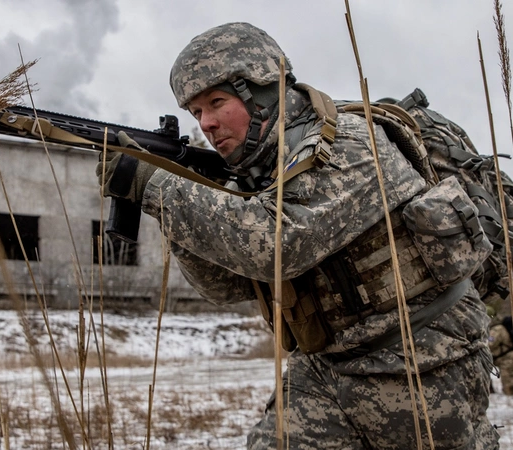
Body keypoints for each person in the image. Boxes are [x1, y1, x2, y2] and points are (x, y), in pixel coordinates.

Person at [97, 22, 499, 449]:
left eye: (216, 102)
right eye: (196, 113)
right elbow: (224, 286)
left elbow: (278, 246)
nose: (207, 123)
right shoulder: (260, 173)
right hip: (326, 367)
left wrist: (159, 187)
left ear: (265, 91)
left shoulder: (348, 143)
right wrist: (182, 198)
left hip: (422, 359)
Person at [489, 316, 513, 395]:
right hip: (497, 356)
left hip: (504, 357)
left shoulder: (501, 329)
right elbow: (489, 344)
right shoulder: (500, 330)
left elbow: (489, 344)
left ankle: (509, 391)